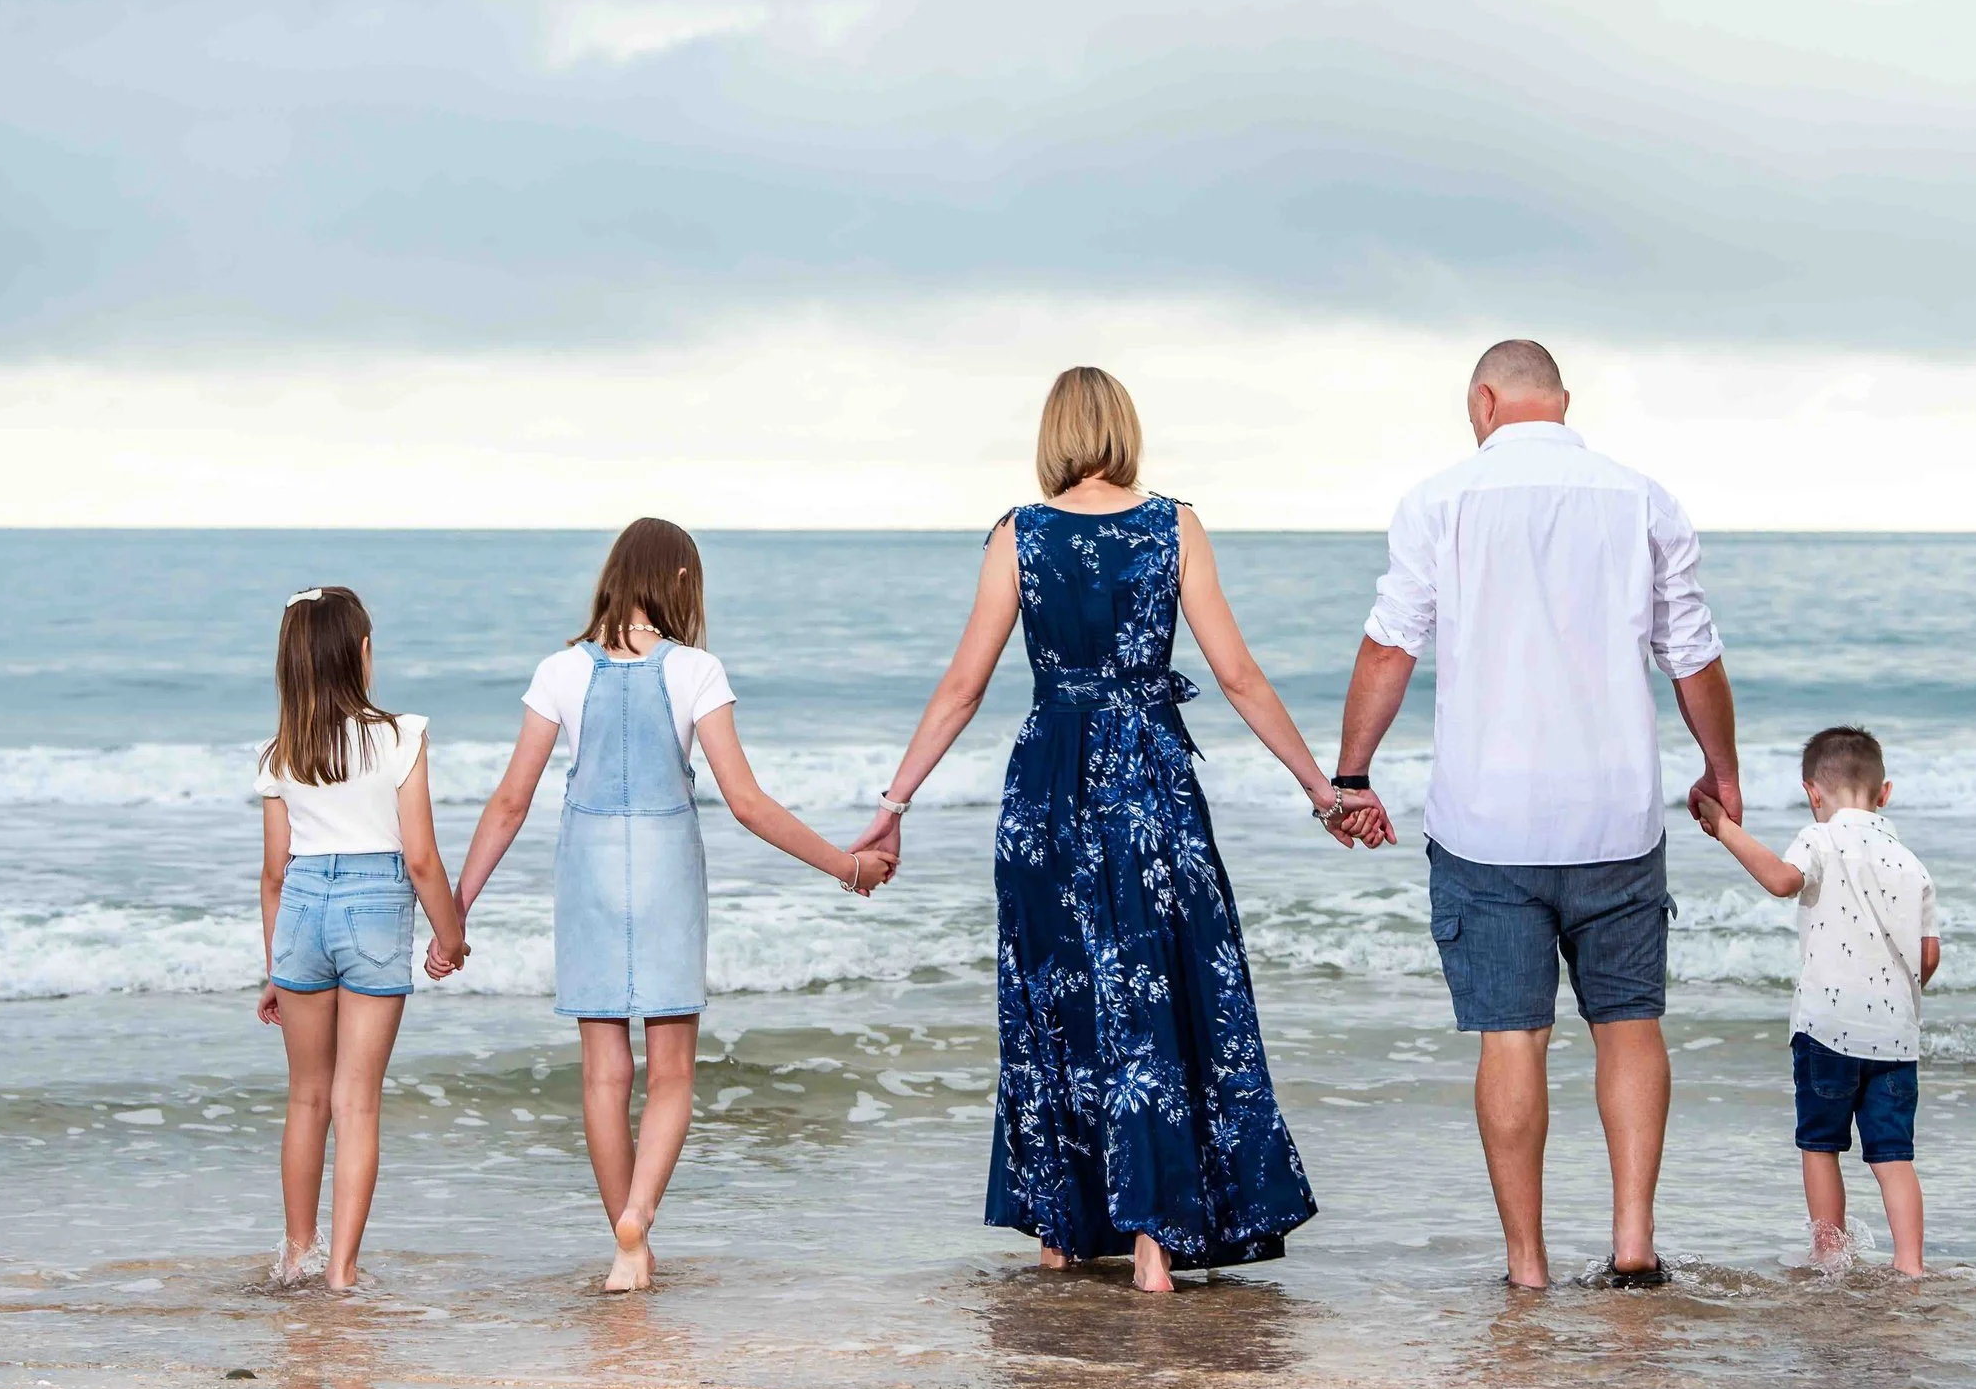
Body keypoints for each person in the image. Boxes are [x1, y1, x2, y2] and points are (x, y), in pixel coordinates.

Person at [851, 366, 1356, 1294]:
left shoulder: (1019, 535)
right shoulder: (1174, 526)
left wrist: (893, 806)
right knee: (1157, 995)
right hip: (1149, 781)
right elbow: (1237, 676)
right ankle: (1156, 1248)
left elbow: (963, 687)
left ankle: (1062, 1238)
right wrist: (1321, 789)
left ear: (1051, 434)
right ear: (1124, 428)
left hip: (1048, 787)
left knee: (1055, 1002)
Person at [1331, 339, 1737, 1290]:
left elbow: (1390, 650)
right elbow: (1694, 656)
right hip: (1615, 818)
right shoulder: (1642, 497)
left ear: (1484, 400)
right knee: (1629, 1023)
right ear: (1562, 401)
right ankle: (1633, 1245)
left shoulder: (1439, 502)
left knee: (1512, 1036)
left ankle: (1527, 1267)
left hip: (1488, 821)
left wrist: (1352, 776)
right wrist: (1720, 769)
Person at [441, 519, 896, 1292]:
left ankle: (624, 1237)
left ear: (615, 576)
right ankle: (640, 1215)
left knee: (602, 1072)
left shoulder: (558, 670)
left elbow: (511, 800)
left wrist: (455, 910)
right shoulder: (695, 670)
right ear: (681, 581)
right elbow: (746, 801)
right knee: (673, 1070)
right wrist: (846, 866)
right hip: (665, 866)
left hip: (586, 867)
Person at [255, 586, 467, 1291]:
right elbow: (421, 858)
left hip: (303, 911)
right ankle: (341, 1272)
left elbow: (273, 873)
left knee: (306, 1097)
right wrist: (451, 934)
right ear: (362, 653)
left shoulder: (280, 751)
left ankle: (295, 1255)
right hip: (374, 905)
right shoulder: (402, 734)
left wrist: (274, 966)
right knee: (357, 1101)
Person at [1694, 727, 1937, 1277]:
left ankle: (1831, 1258)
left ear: (1813, 793)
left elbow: (1782, 881)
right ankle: (1911, 1266)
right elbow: (1928, 958)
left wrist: (1726, 829)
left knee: (1821, 1145)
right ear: (1885, 793)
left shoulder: (1819, 838)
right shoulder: (1912, 864)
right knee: (1894, 1157)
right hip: (1895, 1039)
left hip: (1827, 1029)